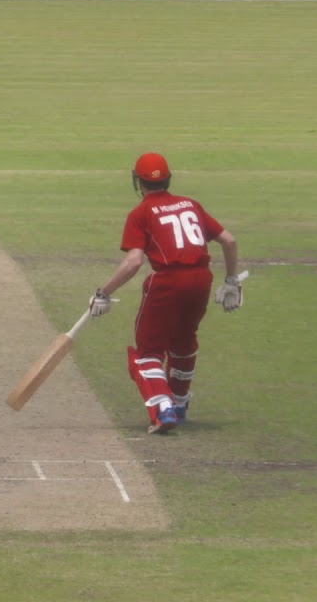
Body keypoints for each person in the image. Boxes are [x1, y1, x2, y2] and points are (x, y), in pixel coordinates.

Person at [89, 152, 242, 434]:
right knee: (184, 343)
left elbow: (134, 261)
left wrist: (104, 292)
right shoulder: (191, 204)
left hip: (168, 282)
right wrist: (232, 281)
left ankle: (162, 410)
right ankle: (180, 403)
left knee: (147, 351)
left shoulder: (141, 213)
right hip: (202, 281)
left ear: (138, 182)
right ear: (168, 178)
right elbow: (229, 241)